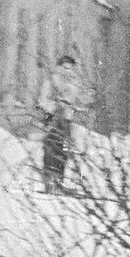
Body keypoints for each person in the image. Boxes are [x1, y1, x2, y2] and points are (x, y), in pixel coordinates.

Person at [36, 55, 83, 194]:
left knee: (63, 152)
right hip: (53, 120)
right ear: (59, 66)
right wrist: (55, 108)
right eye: (65, 67)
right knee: (51, 151)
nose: (68, 70)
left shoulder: (74, 83)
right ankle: (50, 184)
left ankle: (58, 183)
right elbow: (43, 100)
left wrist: (69, 109)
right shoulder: (51, 81)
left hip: (66, 121)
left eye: (70, 67)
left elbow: (74, 101)